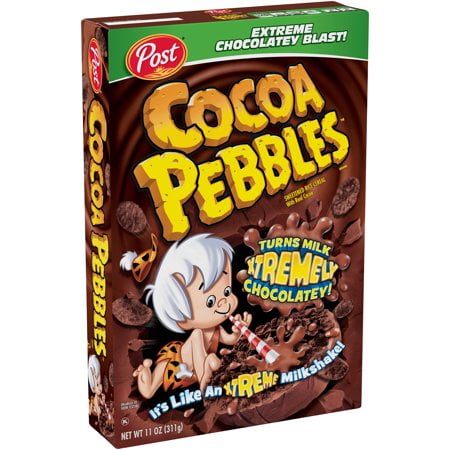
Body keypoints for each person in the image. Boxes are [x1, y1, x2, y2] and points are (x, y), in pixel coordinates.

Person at [133, 234, 252, 398]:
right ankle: (144, 371)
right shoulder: (197, 334)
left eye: (226, 291)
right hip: (176, 364)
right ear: (182, 319)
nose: (224, 302)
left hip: (194, 373)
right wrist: (205, 379)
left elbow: (230, 340)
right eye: (210, 302)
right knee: (149, 391)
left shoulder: (216, 328)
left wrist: (239, 331)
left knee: (212, 360)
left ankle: (209, 373)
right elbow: (199, 354)